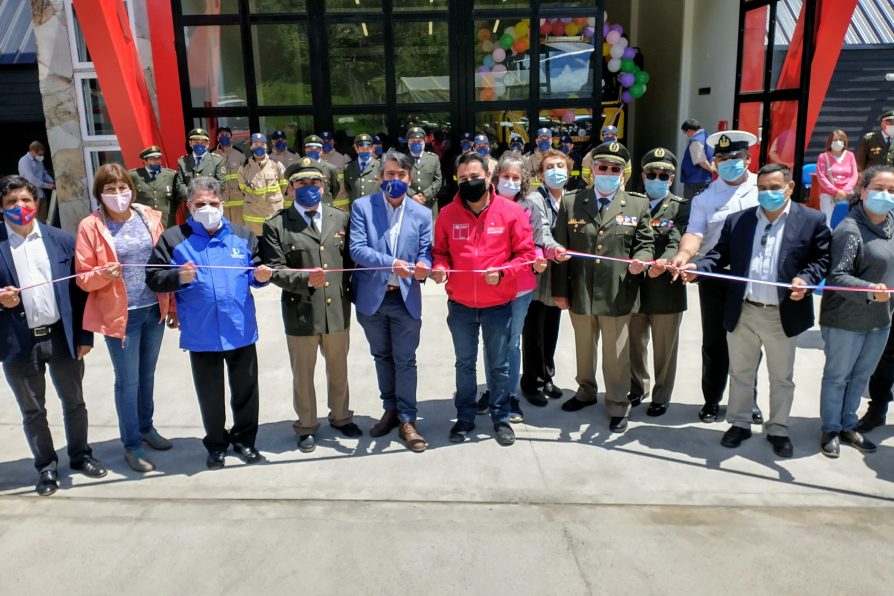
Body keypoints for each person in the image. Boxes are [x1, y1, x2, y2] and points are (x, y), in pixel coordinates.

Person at [684, 163, 830, 457]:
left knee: (781, 377)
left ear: (789, 188)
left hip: (782, 313)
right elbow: (717, 255)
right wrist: (696, 268)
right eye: (762, 189)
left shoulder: (811, 220)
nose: (767, 194)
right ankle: (739, 423)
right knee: (741, 372)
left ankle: (778, 428)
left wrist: (807, 279)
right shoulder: (739, 220)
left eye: (774, 188)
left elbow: (821, 258)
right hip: (744, 310)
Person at [146, 176, 272, 470]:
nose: (207, 208)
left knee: (245, 391)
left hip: (239, 329)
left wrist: (261, 277)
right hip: (202, 333)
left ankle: (245, 441)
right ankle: (216, 445)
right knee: (210, 395)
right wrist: (178, 276)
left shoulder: (242, 235)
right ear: (189, 206)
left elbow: (254, 272)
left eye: (213, 204)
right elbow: (153, 277)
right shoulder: (174, 239)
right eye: (200, 204)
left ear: (222, 204)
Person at [0, 175, 106, 496]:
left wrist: (84, 336)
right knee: (33, 411)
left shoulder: (61, 240)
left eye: (25, 200)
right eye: (11, 203)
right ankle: (46, 467)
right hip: (19, 343)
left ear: (37, 203)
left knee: (74, 402)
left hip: (62, 336)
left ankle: (80, 455)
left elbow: (80, 293)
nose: (20, 207)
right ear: (1, 208)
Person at [74, 163, 176, 473]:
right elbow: (83, 277)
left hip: (152, 309)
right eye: (109, 190)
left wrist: (170, 306)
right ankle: (131, 444)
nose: (118, 194)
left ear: (131, 188)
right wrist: (102, 275)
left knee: (147, 376)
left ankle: (146, 427)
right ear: (99, 194)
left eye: (122, 188)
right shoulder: (91, 226)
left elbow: (164, 263)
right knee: (128, 382)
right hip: (121, 316)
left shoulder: (148, 217)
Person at [432, 152, 536, 446]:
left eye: (475, 177)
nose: (470, 182)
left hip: (498, 304)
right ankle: (464, 416)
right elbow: (440, 253)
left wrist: (503, 272)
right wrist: (440, 269)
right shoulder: (447, 214)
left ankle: (501, 417)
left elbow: (526, 255)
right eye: (463, 178)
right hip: (461, 305)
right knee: (464, 364)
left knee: (499, 365)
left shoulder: (510, 212)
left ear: (489, 177)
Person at [551, 141, 654, 432]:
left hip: (617, 292)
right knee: (584, 348)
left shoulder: (637, 203)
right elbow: (561, 248)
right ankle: (585, 391)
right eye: (603, 167)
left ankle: (618, 403)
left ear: (623, 173)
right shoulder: (571, 202)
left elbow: (645, 243)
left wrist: (642, 260)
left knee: (616, 354)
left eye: (615, 169)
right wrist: (560, 291)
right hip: (580, 290)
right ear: (592, 170)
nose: (608, 172)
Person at [259, 158, 361, 454]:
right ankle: (306, 426)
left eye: (315, 183)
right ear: (290, 189)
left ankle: (341, 417)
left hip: (337, 310)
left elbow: (351, 263)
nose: (309, 188)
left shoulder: (339, 218)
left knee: (339, 368)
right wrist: (304, 280)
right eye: (301, 183)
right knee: (303, 374)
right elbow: (274, 268)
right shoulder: (277, 224)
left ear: (324, 186)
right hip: (300, 311)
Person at [668, 131, 762, 424]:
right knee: (714, 343)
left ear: (747, 158)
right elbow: (695, 233)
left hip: (754, 278)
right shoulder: (706, 197)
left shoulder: (765, 188)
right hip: (716, 276)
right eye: (722, 158)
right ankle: (712, 399)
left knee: (750, 344)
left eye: (735, 157)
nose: (729, 163)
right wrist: (683, 256)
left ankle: (748, 401)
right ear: (715, 162)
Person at [349, 150, 433, 451]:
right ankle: (390, 410)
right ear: (380, 177)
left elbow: (426, 251)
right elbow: (357, 249)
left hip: (405, 298)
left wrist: (424, 265)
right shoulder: (362, 207)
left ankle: (408, 419)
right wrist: (391, 263)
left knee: (405, 361)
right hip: (372, 298)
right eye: (389, 174)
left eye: (400, 175)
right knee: (382, 358)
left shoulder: (422, 214)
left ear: (410, 178)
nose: (394, 179)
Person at [817, 165, 894, 458]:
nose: (885, 196)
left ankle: (849, 424)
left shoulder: (891, 222)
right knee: (838, 376)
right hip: (845, 319)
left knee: (861, 376)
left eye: (892, 191)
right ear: (862, 192)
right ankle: (830, 428)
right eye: (878, 188)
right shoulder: (850, 230)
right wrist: (869, 289)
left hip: (880, 318)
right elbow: (837, 277)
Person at [484, 151, 553, 423]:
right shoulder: (484, 204)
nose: (510, 181)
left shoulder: (529, 208)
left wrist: (539, 255)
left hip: (520, 287)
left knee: (511, 343)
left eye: (515, 177)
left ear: (522, 180)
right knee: (491, 343)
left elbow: (537, 241)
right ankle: (492, 391)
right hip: (489, 286)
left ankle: (509, 396)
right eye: (505, 176)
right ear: (495, 177)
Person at [628, 148, 690, 417]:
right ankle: (637, 387)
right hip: (635, 288)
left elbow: (678, 240)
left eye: (662, 175)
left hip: (666, 288)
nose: (657, 178)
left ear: (671, 178)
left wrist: (663, 262)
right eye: (652, 174)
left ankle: (662, 395)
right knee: (634, 344)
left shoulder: (681, 207)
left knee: (665, 349)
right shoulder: (630, 203)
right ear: (643, 176)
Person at [519, 150, 571, 408]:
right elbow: (543, 233)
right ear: (540, 174)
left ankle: (547, 374)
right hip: (538, 272)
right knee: (533, 330)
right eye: (549, 167)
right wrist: (557, 249)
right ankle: (530, 382)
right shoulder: (534, 200)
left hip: (559, 274)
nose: (556, 171)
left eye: (561, 165)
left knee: (552, 325)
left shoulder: (570, 200)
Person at [173, 128, 227, 224]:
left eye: (202, 142)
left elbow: (221, 183)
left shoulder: (217, 161)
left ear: (207, 144)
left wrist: (206, 199)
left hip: (211, 207)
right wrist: (192, 199)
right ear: (190, 143)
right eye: (196, 142)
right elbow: (180, 184)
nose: (199, 145)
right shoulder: (183, 162)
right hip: (192, 208)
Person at [238, 132, 287, 236]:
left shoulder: (276, 164)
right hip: (253, 218)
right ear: (251, 147)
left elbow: (284, 185)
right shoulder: (244, 168)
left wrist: (274, 198)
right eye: (256, 144)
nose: (259, 147)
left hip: (273, 214)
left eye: (262, 144)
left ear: (266, 146)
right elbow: (243, 189)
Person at [816, 130, 859, 228]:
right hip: (828, 196)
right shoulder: (823, 157)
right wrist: (835, 191)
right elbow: (821, 177)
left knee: (847, 222)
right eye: (835, 140)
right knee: (828, 222)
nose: (838, 142)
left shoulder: (850, 155)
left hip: (847, 196)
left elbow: (854, 175)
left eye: (841, 139)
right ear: (830, 142)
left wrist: (844, 191)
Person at [129, 145, 178, 229]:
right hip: (144, 221)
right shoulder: (134, 175)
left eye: (158, 158)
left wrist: (171, 211)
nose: (157, 161)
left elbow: (177, 198)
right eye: (153, 159)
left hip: (166, 221)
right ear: (144, 161)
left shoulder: (171, 175)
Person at [214, 127, 247, 226]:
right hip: (220, 202)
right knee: (222, 229)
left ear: (231, 137)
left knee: (239, 229)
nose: (224, 137)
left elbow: (245, 176)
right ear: (217, 138)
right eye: (221, 135)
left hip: (238, 201)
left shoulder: (240, 154)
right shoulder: (212, 155)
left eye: (227, 135)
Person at [17, 141, 55, 222]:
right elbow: (31, 179)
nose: (41, 156)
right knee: (32, 221)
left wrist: (52, 182)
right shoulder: (24, 161)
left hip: (41, 194)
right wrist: (47, 186)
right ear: (33, 151)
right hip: (31, 195)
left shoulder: (39, 161)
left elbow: (44, 174)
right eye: (40, 154)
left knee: (42, 219)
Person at [406, 127, 443, 209]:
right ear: (408, 142)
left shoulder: (433, 159)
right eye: (413, 141)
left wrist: (425, 195)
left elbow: (438, 180)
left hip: (429, 204)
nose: (416, 144)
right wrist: (412, 195)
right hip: (409, 204)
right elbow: (400, 181)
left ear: (424, 142)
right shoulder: (403, 160)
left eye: (419, 141)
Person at [680, 119, 715, 199]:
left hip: (695, 181)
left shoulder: (696, 140)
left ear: (689, 130)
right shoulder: (707, 137)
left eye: (685, 132)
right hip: (704, 179)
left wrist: (711, 170)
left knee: (691, 205)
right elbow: (712, 156)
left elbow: (700, 160)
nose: (685, 134)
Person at [302, 134, 341, 205]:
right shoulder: (299, 167)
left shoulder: (330, 168)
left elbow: (335, 189)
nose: (313, 151)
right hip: (306, 206)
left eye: (317, 148)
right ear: (305, 150)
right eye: (310, 148)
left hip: (325, 207)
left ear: (321, 150)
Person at [344, 133, 381, 205]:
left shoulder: (380, 166)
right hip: (357, 211)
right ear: (356, 148)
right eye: (362, 149)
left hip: (375, 209)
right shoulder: (348, 168)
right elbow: (348, 189)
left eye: (367, 148)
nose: (365, 151)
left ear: (372, 148)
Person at [320, 131, 351, 210]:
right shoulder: (316, 158)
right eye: (323, 142)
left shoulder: (344, 157)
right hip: (322, 202)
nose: (326, 143)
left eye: (328, 141)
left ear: (333, 142)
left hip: (341, 203)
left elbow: (351, 180)